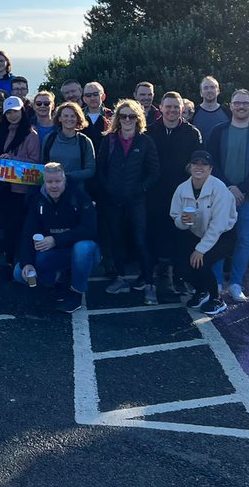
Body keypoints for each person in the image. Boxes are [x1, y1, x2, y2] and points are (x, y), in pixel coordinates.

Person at [206, 89, 249, 303]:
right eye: (237, 103)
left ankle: (236, 284)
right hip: (220, 196)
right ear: (231, 105)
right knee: (217, 238)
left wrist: (241, 189)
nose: (241, 106)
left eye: (245, 103)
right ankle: (215, 283)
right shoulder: (218, 130)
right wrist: (228, 188)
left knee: (243, 241)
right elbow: (211, 162)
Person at [96, 100, 160, 304]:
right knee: (117, 240)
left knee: (140, 240)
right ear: (116, 118)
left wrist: (140, 189)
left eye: (131, 116)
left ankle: (149, 283)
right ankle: (120, 278)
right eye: (123, 116)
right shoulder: (109, 140)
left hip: (136, 200)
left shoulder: (146, 142)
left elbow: (154, 172)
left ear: (138, 118)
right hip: (113, 200)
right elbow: (101, 169)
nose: (127, 120)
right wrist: (108, 188)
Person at [18, 163, 100, 314]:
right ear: (44, 182)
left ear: (64, 181)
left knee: (82, 248)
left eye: (57, 181)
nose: (53, 186)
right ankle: (54, 282)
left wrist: (56, 239)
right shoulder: (37, 200)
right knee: (19, 273)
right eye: (49, 182)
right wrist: (27, 263)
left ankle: (76, 293)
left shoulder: (79, 196)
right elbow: (28, 233)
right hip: (57, 253)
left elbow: (90, 230)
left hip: (84, 252)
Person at [146, 92, 203, 292]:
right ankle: (157, 276)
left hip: (183, 194)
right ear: (160, 108)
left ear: (182, 109)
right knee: (156, 233)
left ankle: (180, 276)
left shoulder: (192, 133)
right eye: (168, 106)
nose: (172, 110)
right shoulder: (149, 131)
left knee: (182, 234)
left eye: (176, 107)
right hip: (155, 192)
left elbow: (196, 163)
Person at [169, 151, 237, 318]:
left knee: (201, 261)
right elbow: (175, 216)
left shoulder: (219, 189)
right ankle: (201, 291)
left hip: (223, 234)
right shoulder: (182, 189)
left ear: (210, 169)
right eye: (195, 163)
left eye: (204, 164)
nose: (199, 167)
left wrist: (201, 249)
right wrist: (183, 221)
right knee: (182, 266)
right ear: (190, 166)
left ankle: (217, 298)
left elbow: (218, 225)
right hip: (196, 232)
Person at [0, 96, 40, 270]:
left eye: (15, 111)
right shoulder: (3, 131)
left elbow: (35, 162)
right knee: (8, 227)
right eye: (9, 112)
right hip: (5, 188)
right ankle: (9, 261)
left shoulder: (31, 134)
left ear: (23, 111)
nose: (12, 115)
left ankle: (22, 263)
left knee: (21, 228)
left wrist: (12, 158)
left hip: (22, 191)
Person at [40, 101, 95, 187]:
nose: (69, 119)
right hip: (51, 189)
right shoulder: (49, 139)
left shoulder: (84, 141)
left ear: (78, 118)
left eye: (73, 116)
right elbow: (42, 164)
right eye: (65, 116)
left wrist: (66, 176)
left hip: (76, 191)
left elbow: (90, 170)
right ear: (59, 118)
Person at [81, 82, 113, 152]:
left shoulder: (112, 116)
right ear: (84, 99)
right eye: (88, 95)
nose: (92, 98)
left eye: (96, 94)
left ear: (103, 96)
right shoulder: (78, 116)